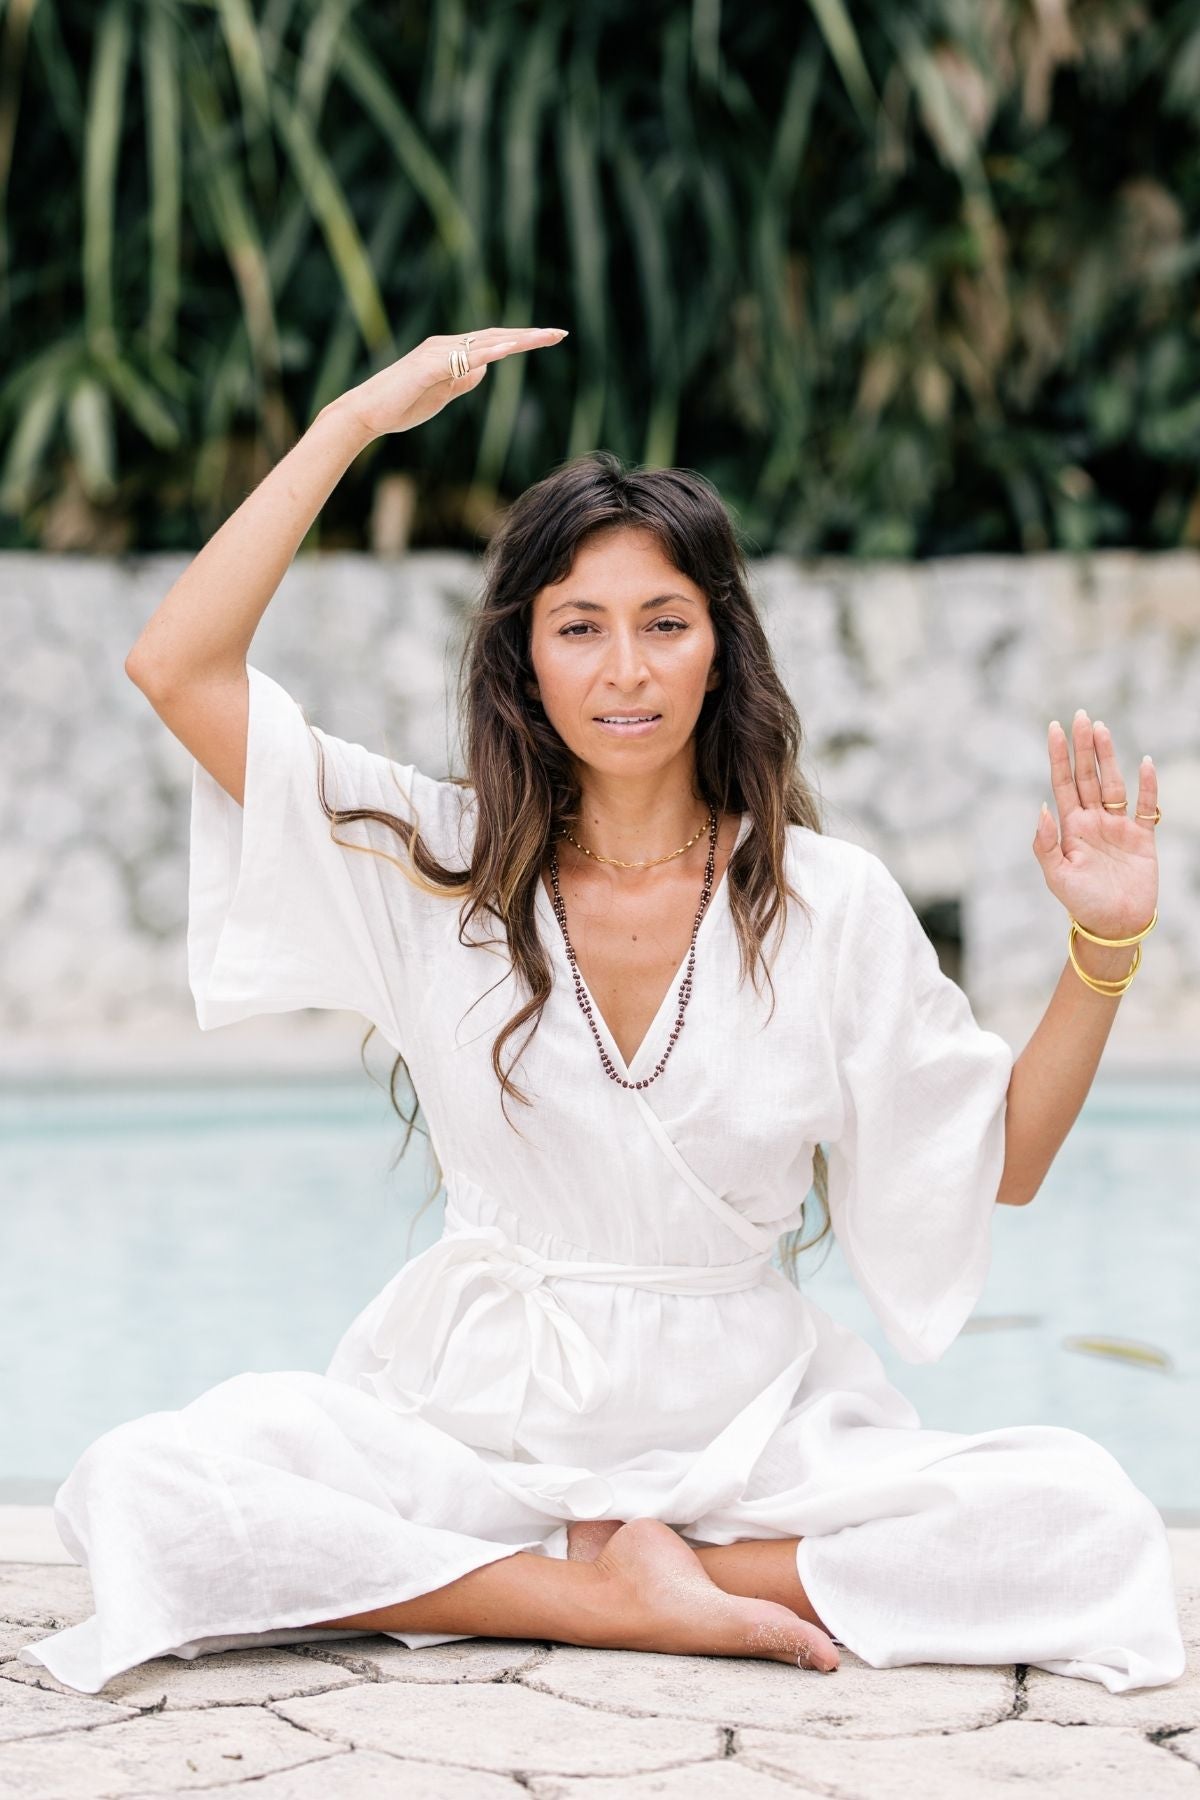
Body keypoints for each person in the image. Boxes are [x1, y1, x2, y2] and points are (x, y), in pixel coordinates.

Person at [19, 329, 1183, 1697]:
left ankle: (611, 1578)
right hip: (474, 1429)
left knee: (1084, 1517)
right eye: (579, 627)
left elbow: (1009, 1163)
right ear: (524, 658)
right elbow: (177, 668)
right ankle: (609, 1597)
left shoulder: (826, 902)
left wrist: (1105, 947)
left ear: (716, 650)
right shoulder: (432, 862)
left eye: (663, 624)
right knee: (149, 1485)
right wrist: (352, 421)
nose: (624, 670)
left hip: (748, 1440)